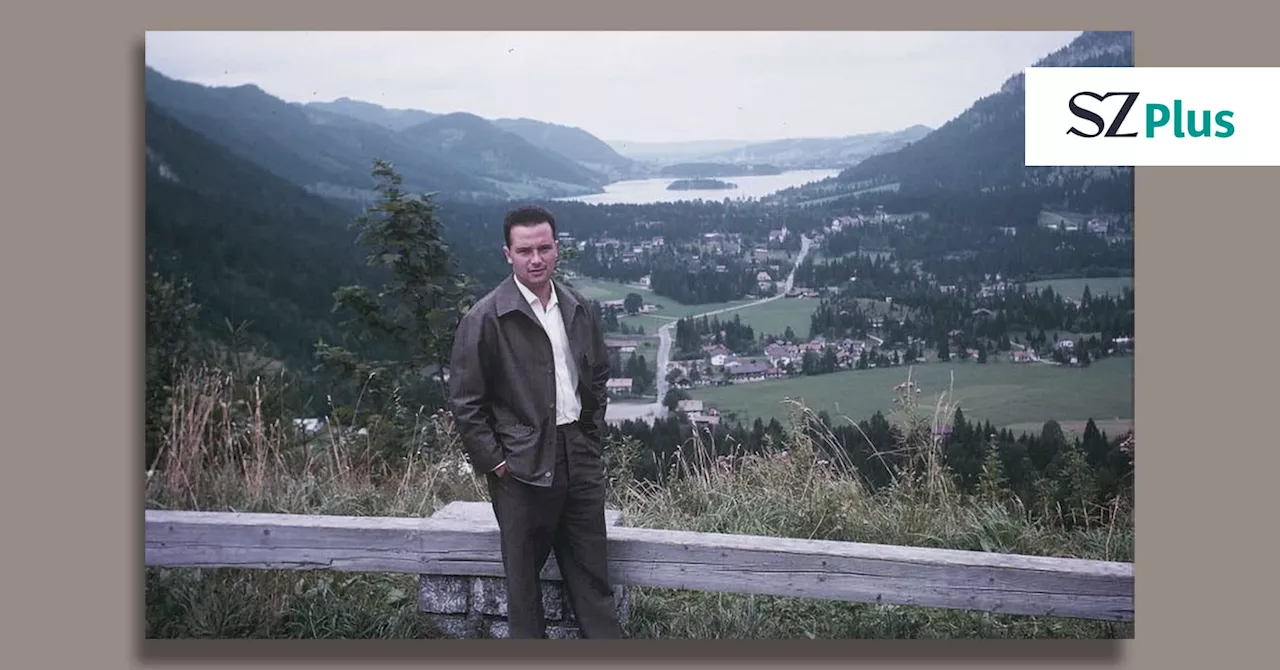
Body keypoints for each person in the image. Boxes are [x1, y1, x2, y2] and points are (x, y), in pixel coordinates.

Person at [447, 204, 623, 639]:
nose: (536, 258)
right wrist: (498, 463)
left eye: (544, 248)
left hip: (578, 456)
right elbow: (466, 403)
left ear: (556, 249)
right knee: (524, 593)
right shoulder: (484, 319)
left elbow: (597, 374)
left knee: (593, 582)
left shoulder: (577, 307)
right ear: (508, 254)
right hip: (520, 469)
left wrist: (589, 435)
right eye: (525, 250)